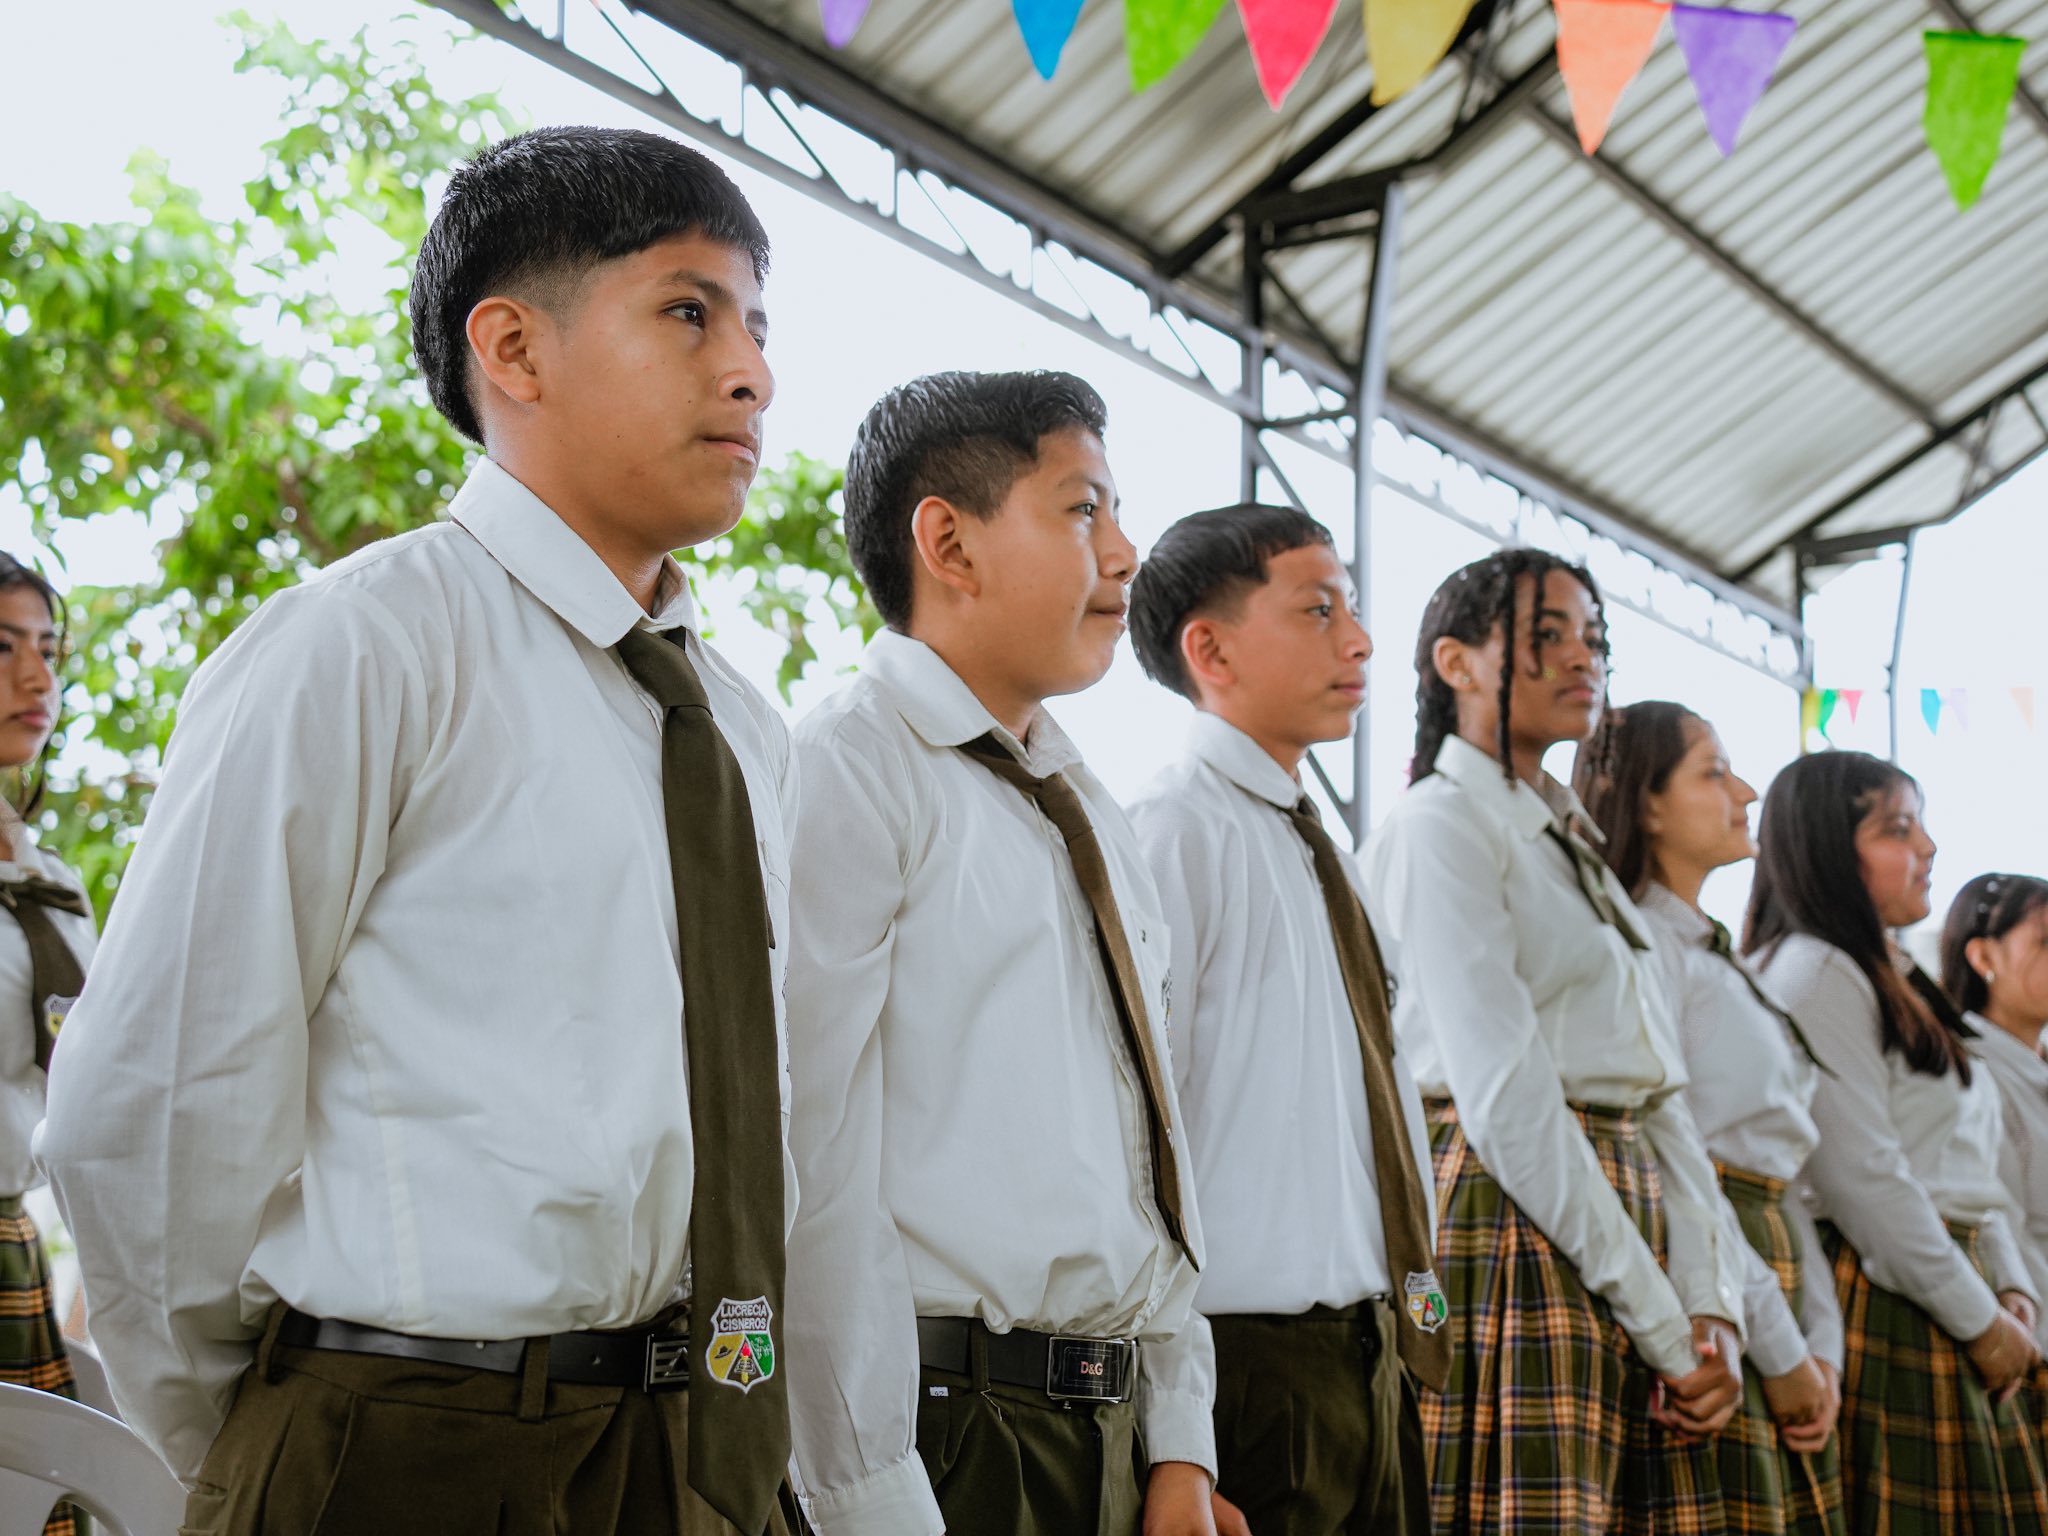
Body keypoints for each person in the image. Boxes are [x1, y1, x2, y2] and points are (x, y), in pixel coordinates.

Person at [37, 127, 800, 1536]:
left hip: (681, 1448)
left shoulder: (743, 731)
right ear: (511, 349)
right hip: (394, 1440)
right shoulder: (361, 648)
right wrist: (273, 1433)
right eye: (689, 312)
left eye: (760, 325)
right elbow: (156, 1105)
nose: (750, 369)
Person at [781, 371, 1216, 1536]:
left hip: (1109, 1431)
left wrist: (1179, 1437)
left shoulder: (1086, 807)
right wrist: (865, 1494)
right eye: (1081, 510)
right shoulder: (849, 769)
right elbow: (809, 1159)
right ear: (948, 543)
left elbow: (1156, 1149)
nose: (1123, 553)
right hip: (950, 1431)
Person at [1363, 548, 1745, 1534]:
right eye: (1546, 635)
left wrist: (1710, 1306)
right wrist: (1666, 1325)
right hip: (1517, 1217)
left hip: (1618, 1228)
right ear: (1454, 664)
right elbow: (1507, 1104)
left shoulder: (1570, 842)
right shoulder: (1442, 825)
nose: (1583, 658)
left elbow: (1658, 1092)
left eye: (1594, 638)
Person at [1124, 504, 1439, 1536]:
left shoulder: (1321, 846)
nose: (1359, 641)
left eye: (1351, 608)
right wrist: (1168, 1426)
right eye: (1317, 610)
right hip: (1249, 1366)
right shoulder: (1175, 831)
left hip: (1371, 1348)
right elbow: (1139, 1135)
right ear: (1209, 650)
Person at [1748, 752, 2048, 1534]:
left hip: (1950, 1285)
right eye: (1898, 830)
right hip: (1898, 1293)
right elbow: (1863, 1179)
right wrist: (1982, 1319)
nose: (1929, 848)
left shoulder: (1889, 971)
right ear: (1826, 848)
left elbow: (1962, 1159)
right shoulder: (1816, 973)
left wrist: (2010, 1282)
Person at [1576, 701, 1845, 1536]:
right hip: (1720, 1282)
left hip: (1771, 1273)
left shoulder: (1712, 953)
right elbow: (1679, 1163)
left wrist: (1822, 1345)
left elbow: (1783, 1175)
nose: (1746, 791)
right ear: (1647, 804)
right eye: (1714, 772)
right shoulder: (1644, 949)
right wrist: (1781, 1346)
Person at [0, 554, 94, 1536]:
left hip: (14, 1245)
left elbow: (94, 1089)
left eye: (48, 650)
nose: (37, 677)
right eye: (2, 648)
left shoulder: (52, 880)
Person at [1938, 873, 2048, 1337]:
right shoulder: (1967, 1070)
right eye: (2045, 942)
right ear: (1983, 956)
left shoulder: (2031, 1065)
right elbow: (2005, 1230)